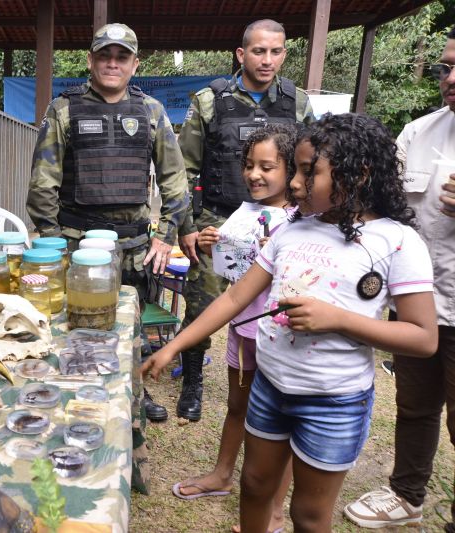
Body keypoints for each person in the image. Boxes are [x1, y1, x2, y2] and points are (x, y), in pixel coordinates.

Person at [143, 113, 438, 531]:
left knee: (308, 514)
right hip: (270, 387)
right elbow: (234, 296)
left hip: (333, 403)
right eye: (295, 170)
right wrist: (173, 346)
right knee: (255, 484)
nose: (295, 183)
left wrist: (338, 319)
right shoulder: (292, 230)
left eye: (308, 172)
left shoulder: (397, 243)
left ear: (359, 173)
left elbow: (423, 338)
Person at [26, 23, 188, 491]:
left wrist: (166, 236)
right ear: (92, 60)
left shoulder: (152, 111)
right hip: (79, 250)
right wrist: (56, 248)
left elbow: (175, 182)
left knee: (132, 340)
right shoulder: (64, 110)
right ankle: (75, 424)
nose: (113, 63)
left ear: (135, 64)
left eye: (123, 56)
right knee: (76, 338)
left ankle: (133, 417)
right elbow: (43, 186)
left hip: (136, 251)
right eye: (105, 55)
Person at [343, 26, 455, 530]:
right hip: (418, 302)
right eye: (445, 67)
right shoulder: (421, 131)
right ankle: (407, 495)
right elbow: (389, 207)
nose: (450, 78)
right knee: (414, 406)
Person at [175, 19, 315, 421]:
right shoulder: (209, 101)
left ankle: (272, 383)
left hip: (282, 226)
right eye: (258, 51)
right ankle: (193, 381)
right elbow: (184, 170)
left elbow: (311, 166)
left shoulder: (298, 103)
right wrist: (187, 226)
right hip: (219, 225)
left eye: (275, 51)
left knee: (278, 309)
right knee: (201, 307)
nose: (267, 59)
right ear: (242, 54)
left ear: (284, 54)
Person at [172, 124, 296, 533]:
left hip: (282, 336)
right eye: (248, 165)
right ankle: (222, 475)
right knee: (236, 407)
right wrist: (215, 242)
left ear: (292, 170)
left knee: (283, 420)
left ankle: (276, 508)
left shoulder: (300, 223)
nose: (254, 174)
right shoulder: (243, 216)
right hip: (243, 330)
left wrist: (277, 252)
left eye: (267, 167)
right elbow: (233, 278)